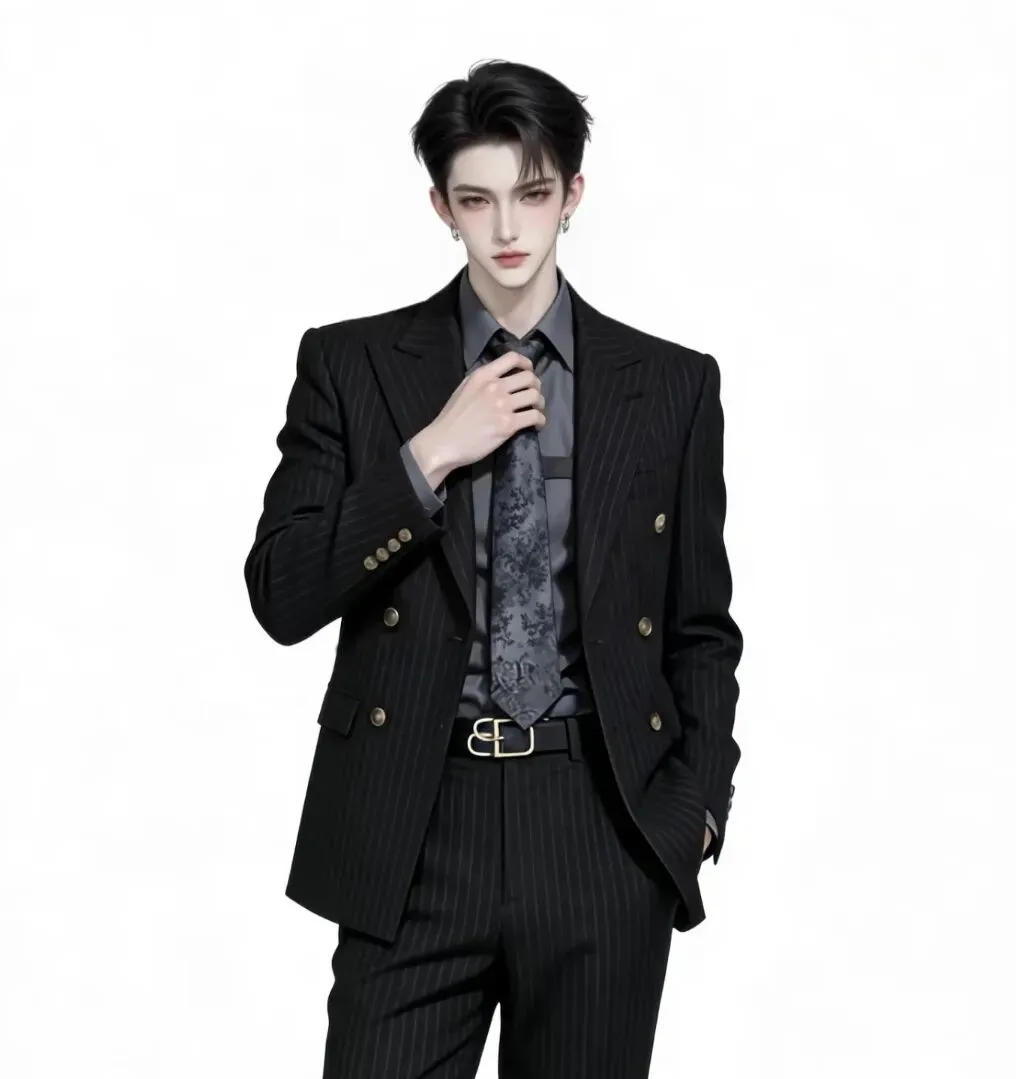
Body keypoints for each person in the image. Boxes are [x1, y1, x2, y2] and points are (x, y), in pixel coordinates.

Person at [244, 58, 742, 1079]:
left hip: (601, 820)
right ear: (442, 206)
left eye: (533, 193)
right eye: (476, 199)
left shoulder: (672, 384)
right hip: (414, 819)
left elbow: (700, 628)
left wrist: (694, 812)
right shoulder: (350, 364)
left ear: (573, 193)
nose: (508, 227)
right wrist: (427, 455)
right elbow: (282, 592)